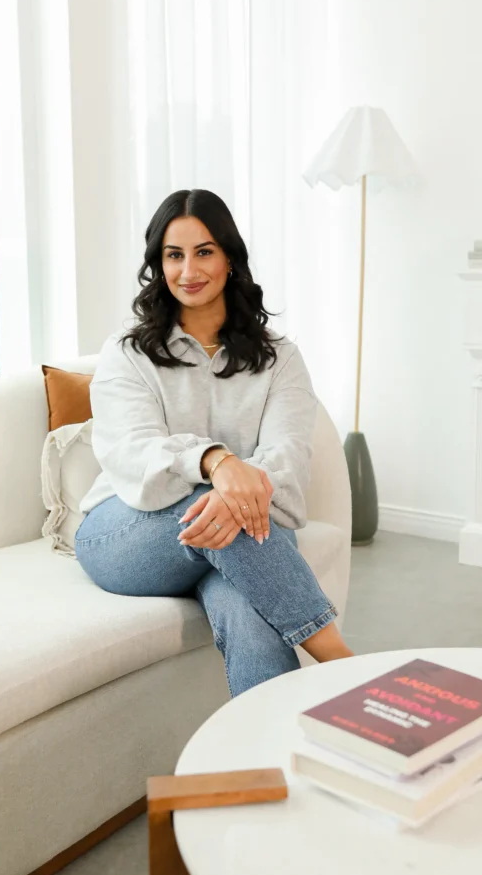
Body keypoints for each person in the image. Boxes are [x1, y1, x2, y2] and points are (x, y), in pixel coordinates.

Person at [76, 188, 354, 696]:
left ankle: (270, 742)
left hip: (241, 531)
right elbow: (133, 450)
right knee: (230, 516)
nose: (188, 270)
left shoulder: (280, 359)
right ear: (159, 265)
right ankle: (345, 665)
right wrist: (214, 463)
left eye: (204, 251)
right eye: (173, 255)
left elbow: (288, 459)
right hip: (128, 533)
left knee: (247, 609)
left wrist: (234, 493)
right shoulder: (127, 353)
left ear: (229, 257)